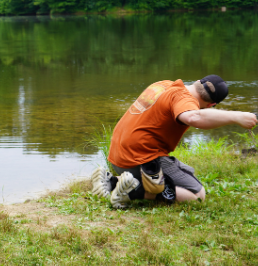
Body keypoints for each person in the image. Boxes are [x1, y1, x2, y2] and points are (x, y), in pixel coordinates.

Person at [91, 75, 257, 209]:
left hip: (118, 157)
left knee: (186, 171)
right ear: (212, 104)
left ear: (198, 82)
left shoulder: (164, 84)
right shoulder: (185, 101)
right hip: (138, 159)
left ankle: (114, 180)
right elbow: (193, 117)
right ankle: (124, 190)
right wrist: (237, 117)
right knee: (197, 194)